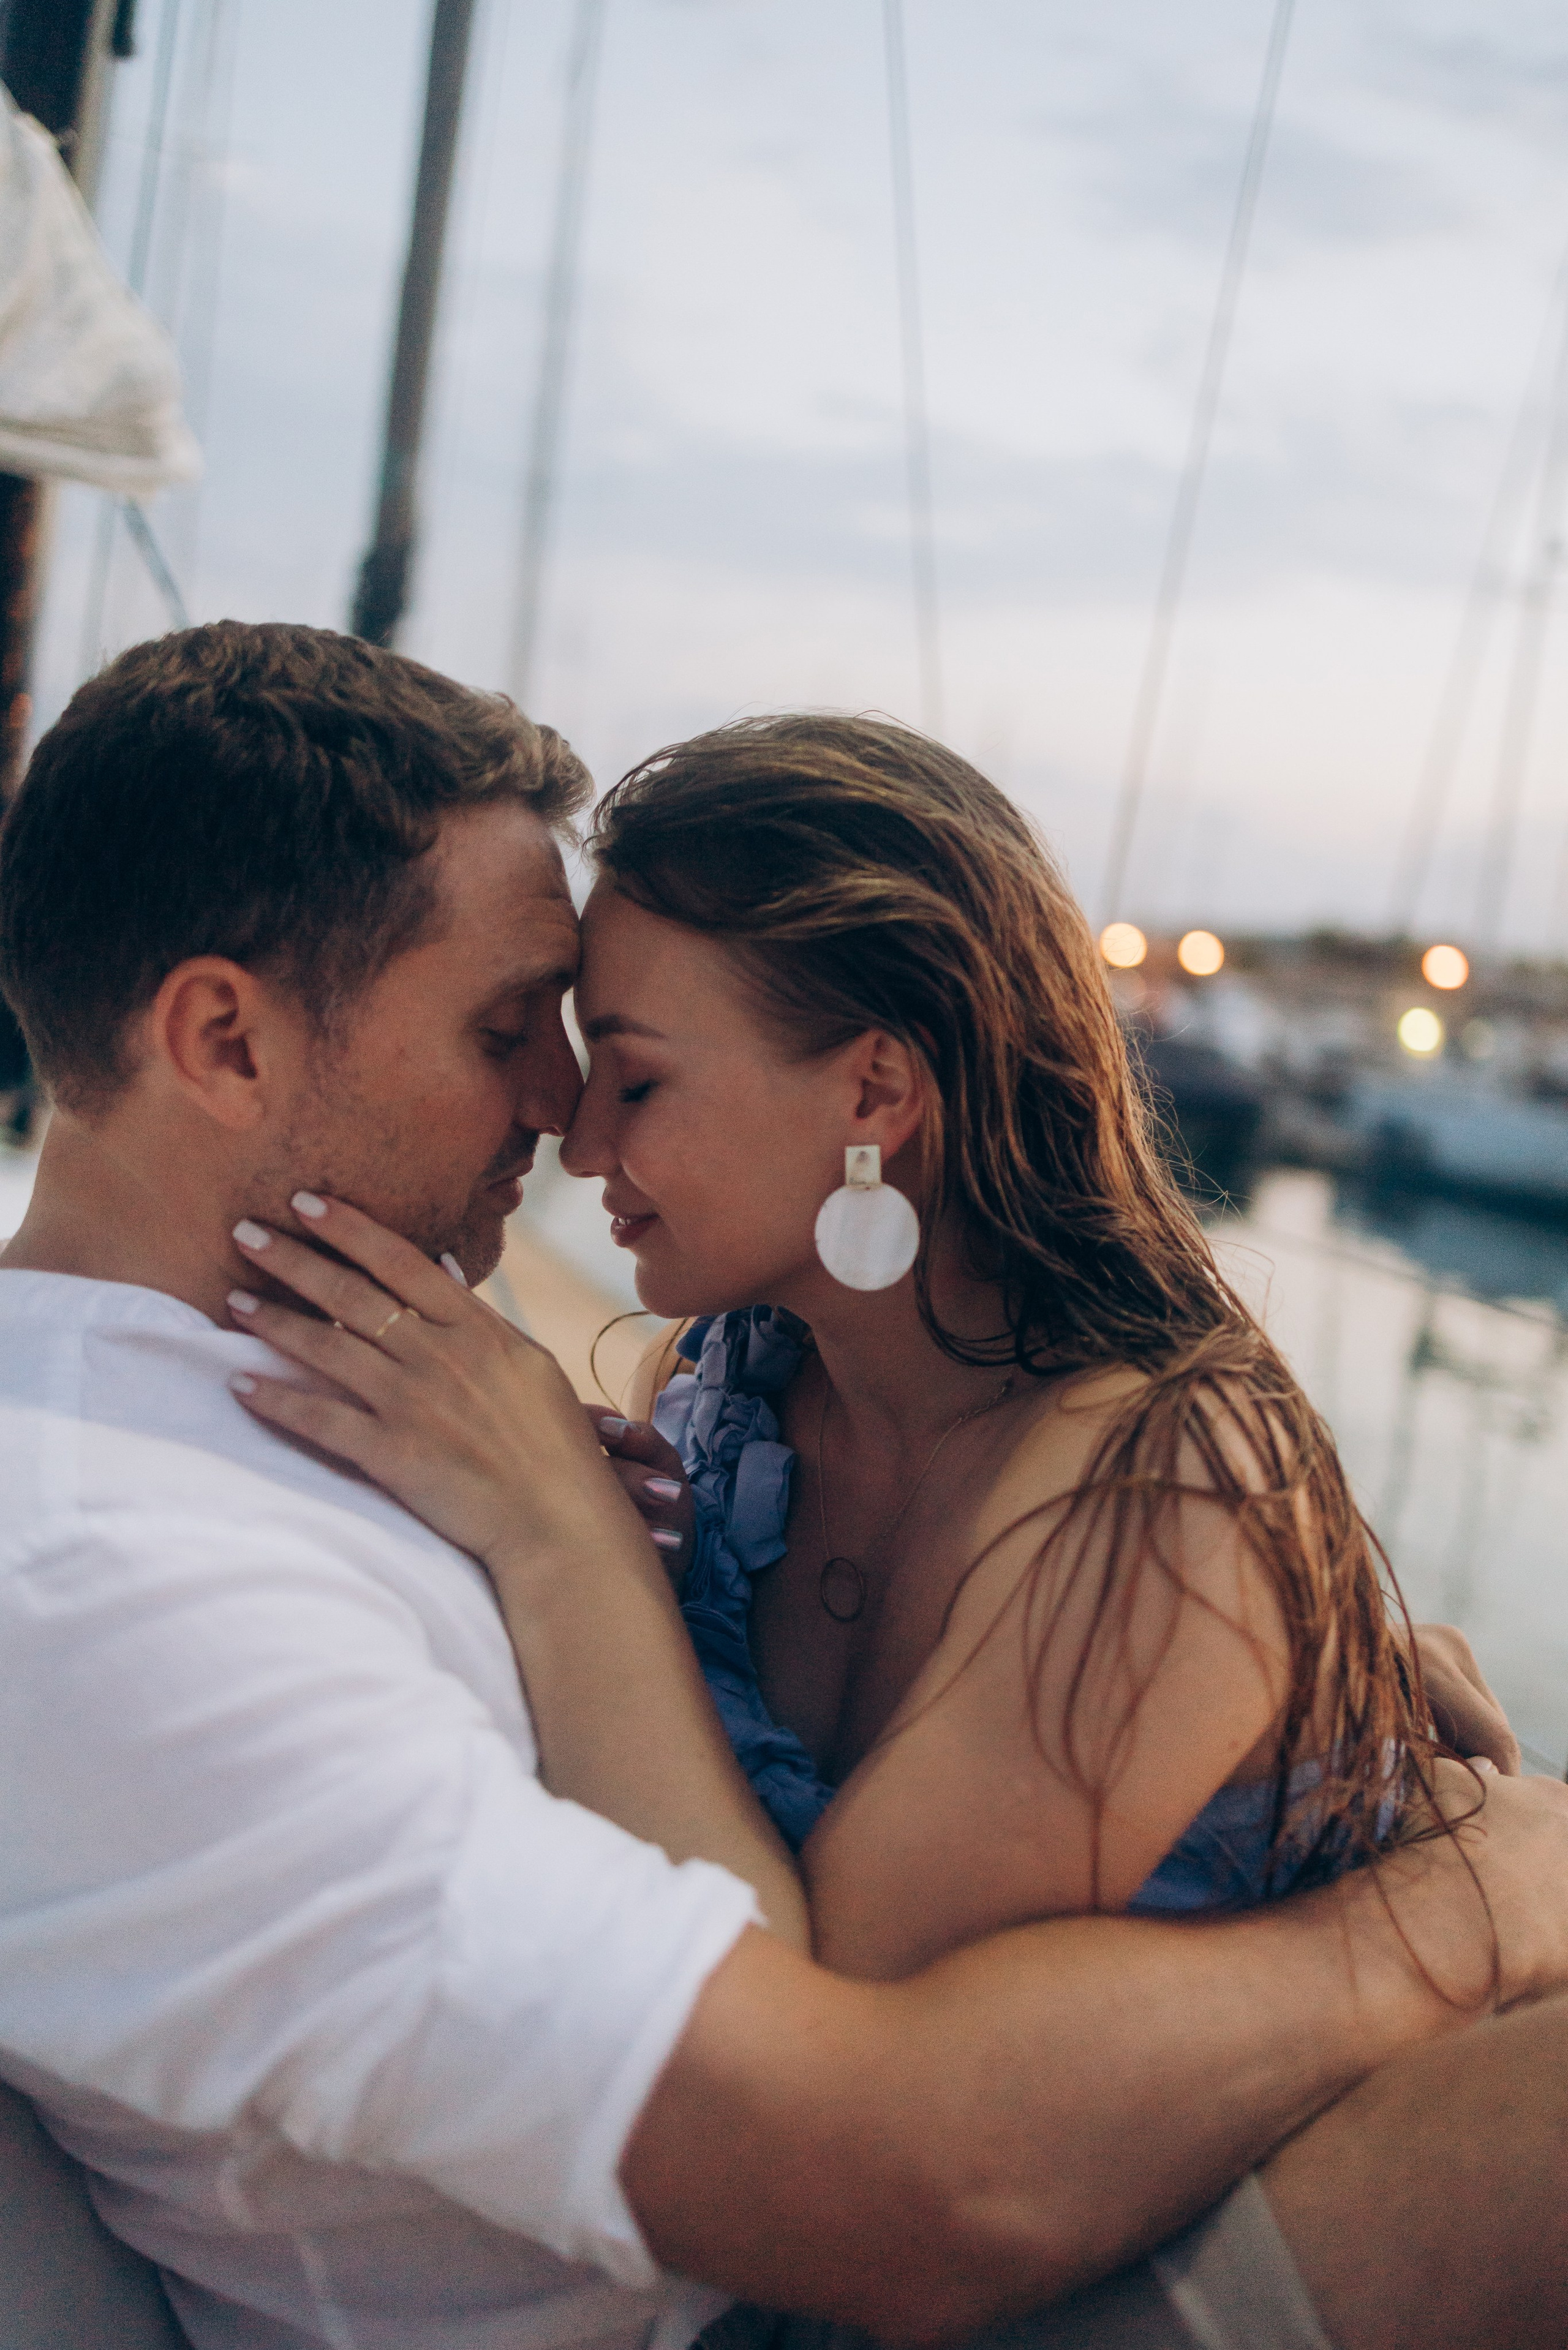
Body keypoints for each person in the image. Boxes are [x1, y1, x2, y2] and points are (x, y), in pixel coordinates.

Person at [0, 623, 1566, 2350]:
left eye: (616, 1061)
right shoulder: (115, 1574)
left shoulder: (346, 1361)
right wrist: (1462, 1904)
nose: (567, 1119)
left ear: (879, 1093)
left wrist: (1298, 1690)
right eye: (518, 1028)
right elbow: (885, 2155)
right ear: (223, 1044)